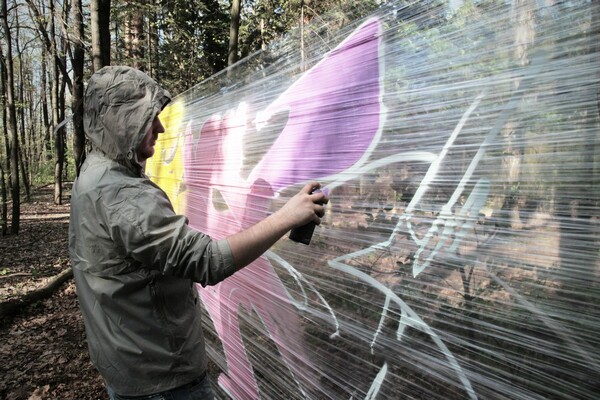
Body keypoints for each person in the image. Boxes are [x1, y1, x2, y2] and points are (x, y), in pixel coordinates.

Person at [68, 66, 328, 400]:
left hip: (127, 360)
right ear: (122, 122)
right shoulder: (123, 195)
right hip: (163, 379)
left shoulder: (93, 173)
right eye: (149, 118)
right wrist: (287, 217)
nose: (160, 128)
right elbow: (208, 261)